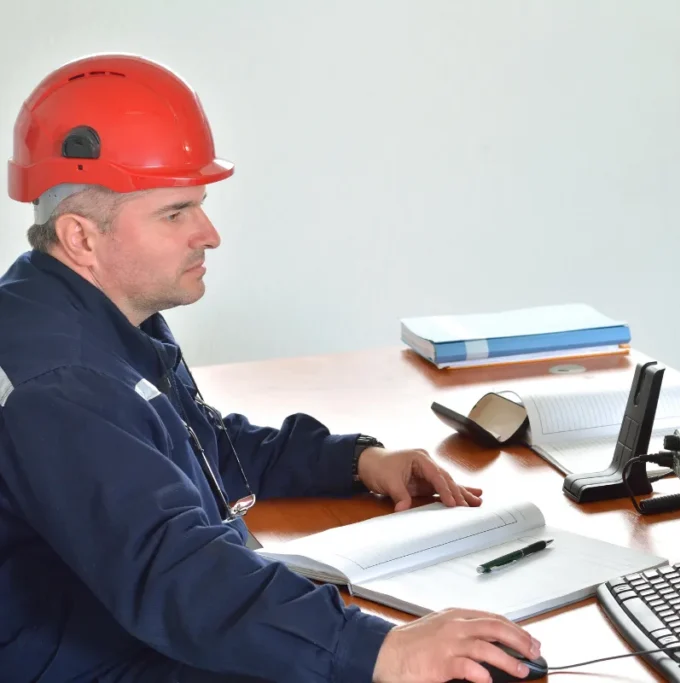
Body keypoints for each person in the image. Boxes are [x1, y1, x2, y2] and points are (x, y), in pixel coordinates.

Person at [0, 53, 541, 683]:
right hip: (92, 660)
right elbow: (175, 574)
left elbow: (195, 446)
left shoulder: (87, 315)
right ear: (81, 238)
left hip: (127, 627)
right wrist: (381, 651)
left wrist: (356, 462)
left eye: (199, 205)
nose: (209, 233)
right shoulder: (61, 381)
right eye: (175, 213)